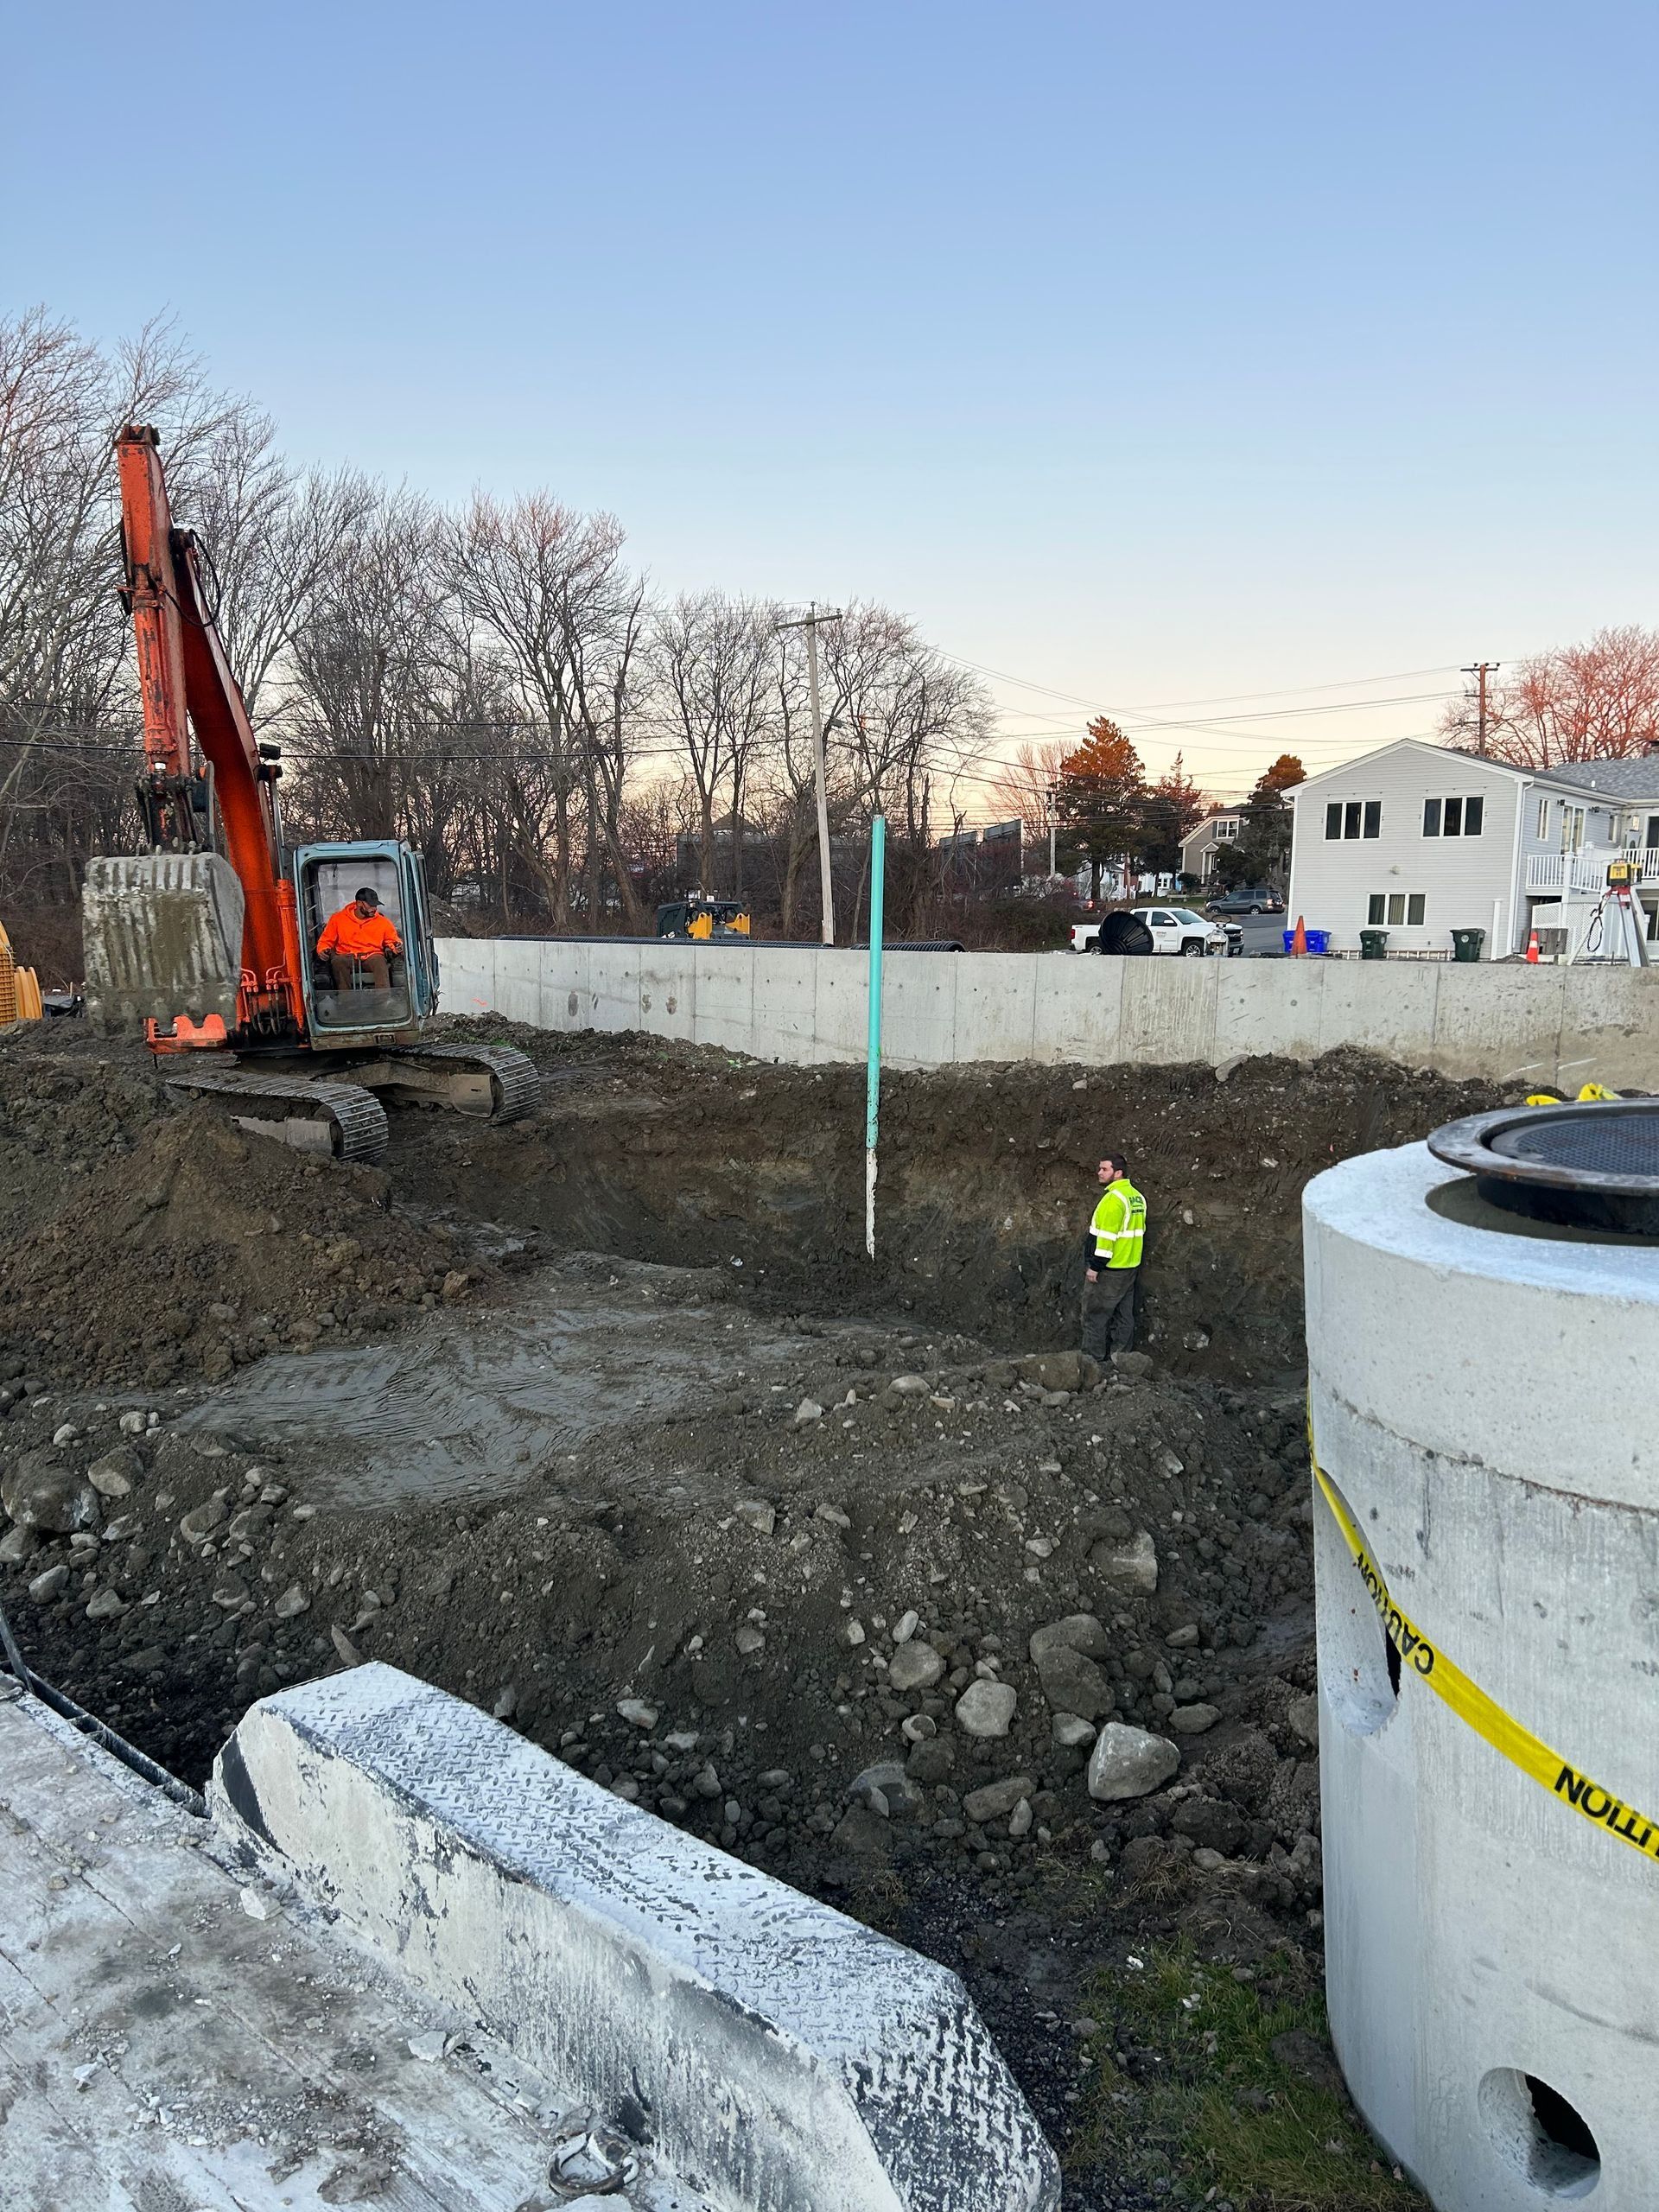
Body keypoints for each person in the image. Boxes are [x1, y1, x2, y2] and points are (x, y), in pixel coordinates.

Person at [1080, 1154, 1147, 1360]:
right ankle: (1122, 1359)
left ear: (1118, 1173)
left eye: (1105, 1169)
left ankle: (1093, 1359)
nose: (1099, 1173)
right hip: (1130, 1266)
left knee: (1095, 1314)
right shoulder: (1137, 1197)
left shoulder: (1113, 1200)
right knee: (1124, 1315)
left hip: (1110, 1269)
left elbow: (1107, 1239)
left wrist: (1095, 1266)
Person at [317, 887, 403, 991]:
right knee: (338, 962)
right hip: (347, 956)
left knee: (379, 961)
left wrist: (396, 947)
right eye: (371, 905)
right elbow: (326, 940)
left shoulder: (383, 922)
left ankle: (384, 1001)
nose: (374, 908)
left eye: (375, 905)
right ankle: (345, 1001)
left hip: (372, 956)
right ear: (358, 903)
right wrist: (322, 950)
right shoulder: (338, 919)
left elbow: (392, 940)